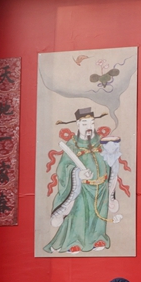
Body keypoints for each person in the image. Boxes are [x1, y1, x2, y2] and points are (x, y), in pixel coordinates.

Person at [45, 108, 123, 254]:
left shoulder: (100, 141)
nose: (89, 127)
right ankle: (75, 241)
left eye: (91, 123)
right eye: (85, 123)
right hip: (82, 189)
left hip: (101, 187)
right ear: (78, 124)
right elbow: (63, 168)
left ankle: (98, 237)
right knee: (80, 215)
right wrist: (78, 174)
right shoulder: (72, 145)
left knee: (99, 214)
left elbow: (109, 159)